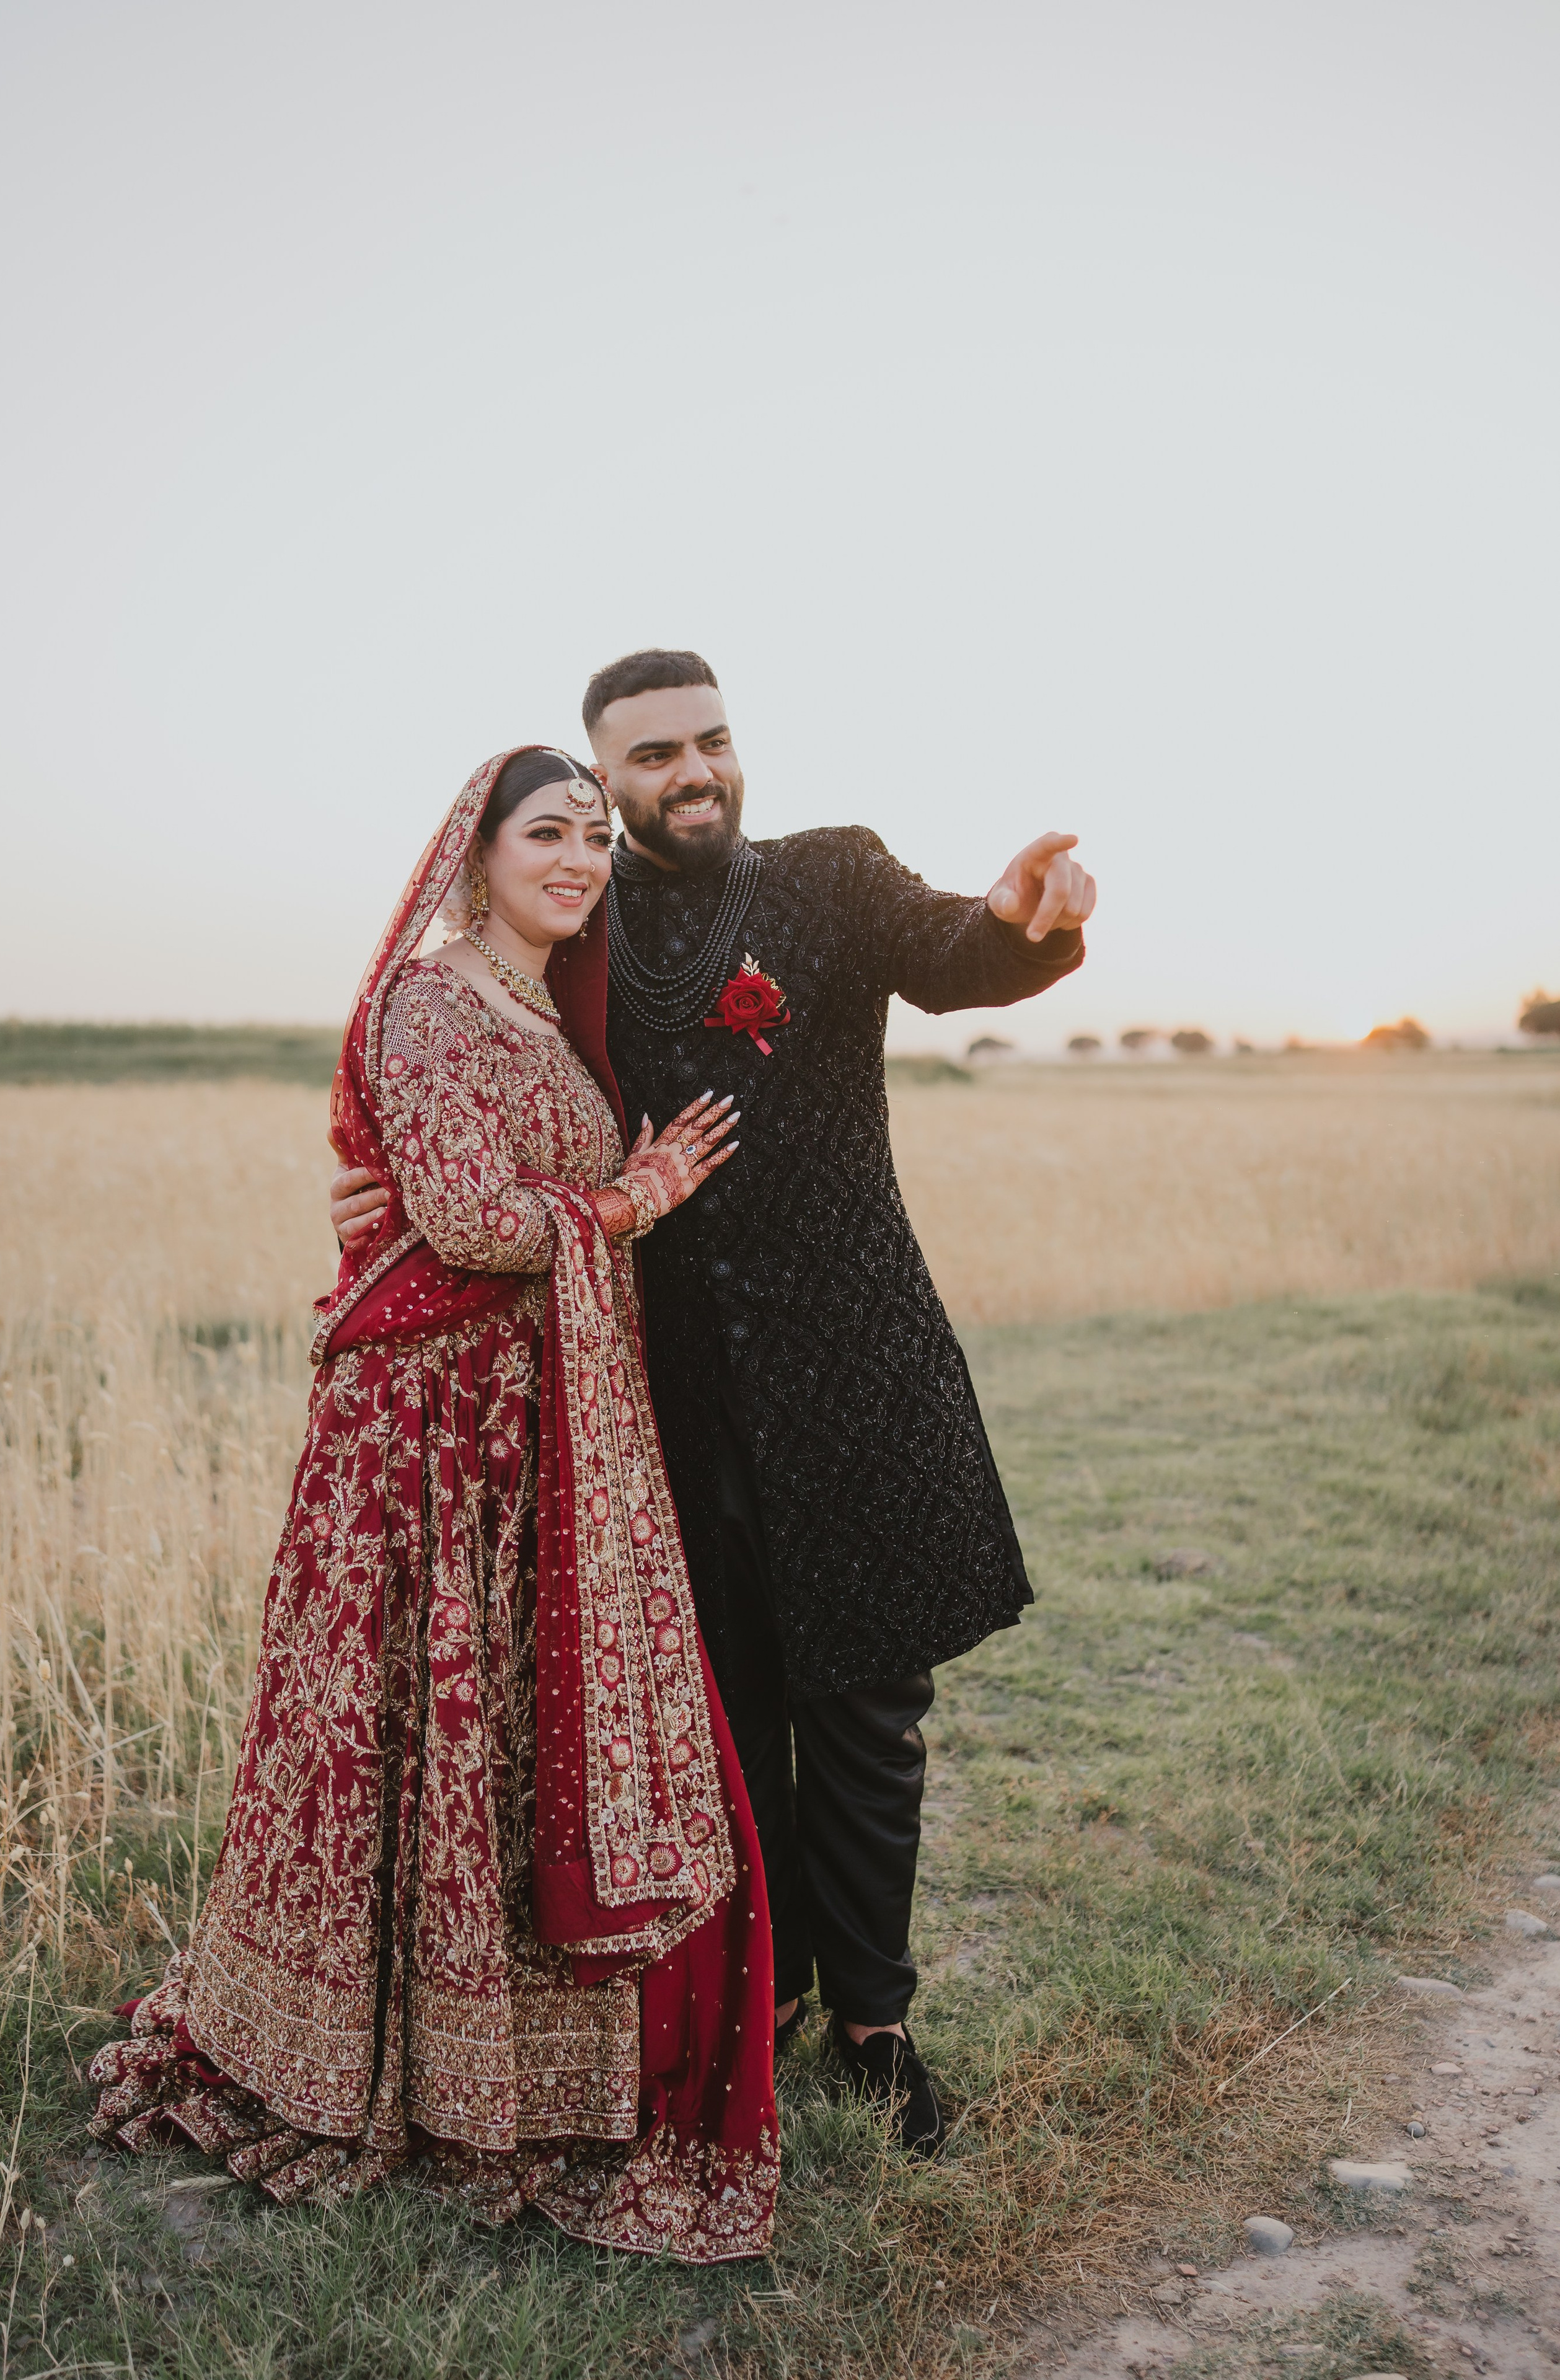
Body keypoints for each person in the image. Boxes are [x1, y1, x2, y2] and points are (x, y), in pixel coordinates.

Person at [333, 658, 1095, 2154]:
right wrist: (387, 1188)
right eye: (653, 754)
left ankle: (875, 2024)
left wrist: (1018, 920)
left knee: (871, 1716)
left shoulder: (831, 879)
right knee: (725, 1717)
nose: (692, 770)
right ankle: (771, 1996)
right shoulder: (566, 916)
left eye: (712, 740)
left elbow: (956, 950)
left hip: (859, 1371)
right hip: (659, 1398)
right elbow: (444, 1059)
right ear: (602, 780)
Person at [91, 746, 779, 2263]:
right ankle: (380, 2058)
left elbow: (449, 1196)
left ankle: (509, 2062)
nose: (582, 859)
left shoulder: (546, 1000)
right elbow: (466, 1219)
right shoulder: (433, 1000)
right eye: (551, 832)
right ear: (475, 850)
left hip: (530, 1418)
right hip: (429, 1438)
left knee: (499, 1737)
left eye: (595, 838)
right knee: (422, 1719)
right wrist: (636, 1197)